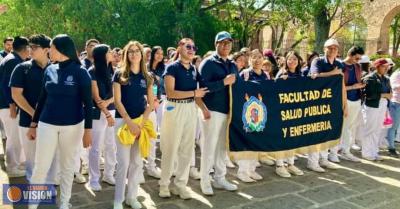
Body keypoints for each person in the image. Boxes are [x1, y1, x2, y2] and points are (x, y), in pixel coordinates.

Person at [27, 34, 92, 209]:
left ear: (62, 49)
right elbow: (42, 99)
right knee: (41, 166)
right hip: (47, 124)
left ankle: (64, 203)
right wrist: (33, 125)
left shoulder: (81, 72)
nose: (49, 51)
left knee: (67, 167)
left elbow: (88, 104)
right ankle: (32, 205)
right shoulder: (50, 69)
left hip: (73, 126)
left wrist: (88, 131)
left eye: (52, 48)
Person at [158, 38, 208, 199]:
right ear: (180, 47)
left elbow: (202, 92)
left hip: (190, 108)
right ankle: (164, 184)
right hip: (174, 107)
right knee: (170, 148)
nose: (192, 49)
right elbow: (171, 92)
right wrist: (194, 94)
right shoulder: (172, 67)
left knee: (187, 149)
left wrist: (204, 109)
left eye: (194, 47)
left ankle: (180, 184)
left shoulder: (194, 69)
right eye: (188, 46)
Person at [10, 34, 59, 183]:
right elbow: (16, 95)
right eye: (29, 46)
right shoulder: (22, 68)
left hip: (52, 123)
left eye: (34, 47)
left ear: (46, 50)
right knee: (32, 160)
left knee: (51, 157)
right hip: (27, 121)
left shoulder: (56, 69)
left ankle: (49, 184)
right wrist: (35, 115)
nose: (29, 49)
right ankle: (35, 188)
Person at [112, 41, 154, 209]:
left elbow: (151, 103)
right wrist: (130, 123)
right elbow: (117, 101)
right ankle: (118, 200)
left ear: (142, 55)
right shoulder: (119, 74)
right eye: (130, 52)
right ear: (126, 55)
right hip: (123, 122)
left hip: (140, 122)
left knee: (137, 163)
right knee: (123, 163)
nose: (134, 54)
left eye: (137, 51)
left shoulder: (148, 76)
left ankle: (132, 197)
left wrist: (141, 124)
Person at [198, 31, 238, 195]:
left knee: (222, 147)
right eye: (222, 43)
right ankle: (205, 180)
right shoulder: (208, 63)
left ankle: (220, 178)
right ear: (216, 44)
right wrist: (224, 82)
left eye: (228, 43)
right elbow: (203, 89)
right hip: (212, 111)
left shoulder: (232, 64)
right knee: (209, 147)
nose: (226, 45)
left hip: (228, 111)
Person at [308, 38, 345, 172]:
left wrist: (344, 104)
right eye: (330, 47)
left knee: (327, 131)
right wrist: (332, 73)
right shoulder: (317, 61)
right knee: (316, 132)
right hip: (316, 102)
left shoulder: (339, 64)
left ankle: (324, 159)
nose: (332, 50)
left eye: (335, 48)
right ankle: (312, 161)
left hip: (331, 103)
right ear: (325, 49)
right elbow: (314, 75)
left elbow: (341, 85)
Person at [237, 49, 270, 182]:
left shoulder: (266, 75)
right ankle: (242, 171)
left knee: (257, 141)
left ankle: (251, 169)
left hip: (260, 112)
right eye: (254, 57)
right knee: (246, 141)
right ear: (249, 60)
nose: (257, 60)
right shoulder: (244, 74)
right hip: (247, 112)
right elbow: (238, 92)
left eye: (260, 57)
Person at [87, 44, 117, 191]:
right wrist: (107, 113)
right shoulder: (92, 72)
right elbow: (96, 97)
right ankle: (93, 178)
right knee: (96, 148)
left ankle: (109, 174)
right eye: (109, 51)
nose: (112, 53)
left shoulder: (113, 70)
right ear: (102, 55)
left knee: (111, 146)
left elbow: (116, 95)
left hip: (112, 111)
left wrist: (109, 104)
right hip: (98, 114)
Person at [329, 46, 365, 163]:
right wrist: (352, 87)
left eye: (359, 59)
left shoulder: (357, 67)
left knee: (349, 127)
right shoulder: (340, 65)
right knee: (339, 126)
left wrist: (360, 85)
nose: (358, 61)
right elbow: (337, 86)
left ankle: (345, 150)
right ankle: (334, 152)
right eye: (357, 58)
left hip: (356, 99)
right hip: (344, 100)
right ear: (350, 54)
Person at [0, 36, 30, 177]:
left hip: (8, 104)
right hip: (8, 105)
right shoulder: (12, 61)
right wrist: (12, 105)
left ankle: (19, 163)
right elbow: (6, 85)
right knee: (13, 137)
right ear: (25, 48)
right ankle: (12, 167)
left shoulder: (13, 59)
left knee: (15, 135)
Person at [274, 51, 306, 177]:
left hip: (295, 111)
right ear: (286, 61)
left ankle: (290, 163)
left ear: (298, 62)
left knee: (292, 138)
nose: (292, 62)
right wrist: (280, 81)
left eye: (295, 59)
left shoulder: (300, 75)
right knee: (282, 138)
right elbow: (273, 88)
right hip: (283, 111)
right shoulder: (282, 73)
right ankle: (279, 165)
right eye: (290, 59)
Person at [362, 58, 391, 161]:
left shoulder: (386, 79)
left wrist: (387, 96)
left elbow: (389, 93)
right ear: (377, 66)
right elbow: (369, 95)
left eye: (387, 66)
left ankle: (374, 152)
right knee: (370, 129)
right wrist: (384, 95)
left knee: (378, 130)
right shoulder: (370, 78)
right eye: (384, 66)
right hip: (372, 106)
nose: (386, 68)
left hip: (382, 105)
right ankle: (366, 153)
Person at [387, 66, 400, 158]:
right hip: (395, 103)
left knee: (395, 127)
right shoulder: (396, 74)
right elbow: (393, 87)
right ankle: (391, 148)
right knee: (393, 127)